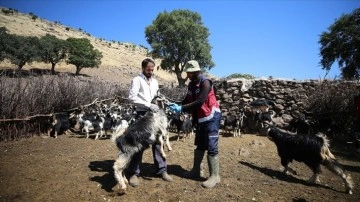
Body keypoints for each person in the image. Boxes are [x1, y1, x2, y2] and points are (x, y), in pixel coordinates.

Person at [168, 60, 222, 188]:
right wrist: (176, 104)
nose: (188, 74)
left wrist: (181, 109)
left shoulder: (205, 83)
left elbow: (200, 102)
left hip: (211, 118)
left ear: (196, 71)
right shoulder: (191, 86)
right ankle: (196, 170)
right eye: (187, 72)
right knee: (200, 145)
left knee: (211, 146)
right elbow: (187, 100)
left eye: (190, 72)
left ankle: (215, 176)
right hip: (201, 119)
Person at [127, 58, 173, 187]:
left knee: (158, 142)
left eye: (152, 69)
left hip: (154, 115)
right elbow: (132, 97)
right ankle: (134, 173)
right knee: (139, 144)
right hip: (142, 114)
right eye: (148, 69)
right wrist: (148, 105)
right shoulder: (137, 80)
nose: (151, 71)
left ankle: (162, 170)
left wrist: (160, 99)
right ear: (143, 68)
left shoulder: (155, 82)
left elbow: (156, 95)